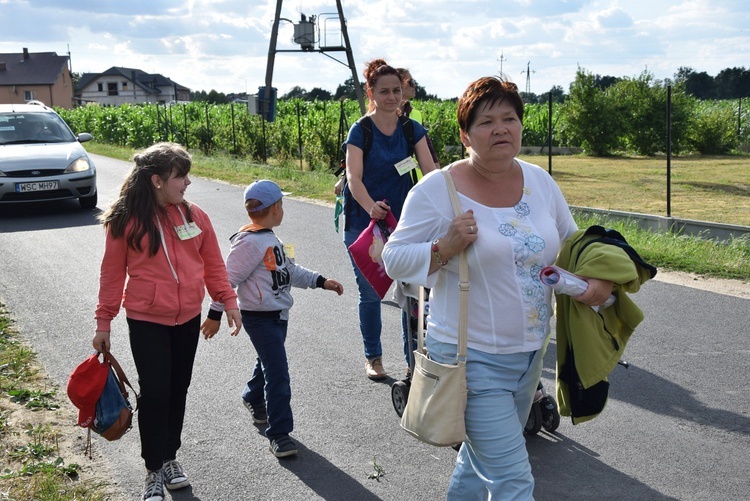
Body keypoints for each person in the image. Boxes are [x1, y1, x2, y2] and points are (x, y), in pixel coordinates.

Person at [381, 76, 613, 498]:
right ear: (465, 134)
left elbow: (571, 246)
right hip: (469, 359)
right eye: (487, 121)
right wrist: (444, 247)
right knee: (512, 479)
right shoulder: (438, 190)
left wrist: (595, 283)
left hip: (529, 356)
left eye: (510, 118)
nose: (501, 128)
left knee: (476, 465)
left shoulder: (539, 181)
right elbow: (392, 259)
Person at [93, 142, 242, 501]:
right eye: (181, 176)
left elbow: (214, 266)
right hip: (146, 320)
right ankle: (153, 468)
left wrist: (228, 301)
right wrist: (104, 322)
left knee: (178, 389)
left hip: (187, 319)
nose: (188, 182)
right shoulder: (124, 220)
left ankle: (170, 456)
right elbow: (112, 275)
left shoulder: (195, 216)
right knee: (156, 392)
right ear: (157, 180)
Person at [204, 180, 344, 458]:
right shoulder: (250, 243)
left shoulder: (271, 240)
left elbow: (290, 270)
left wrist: (320, 281)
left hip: (279, 316)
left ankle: (252, 396)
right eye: (283, 204)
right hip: (260, 318)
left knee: (267, 362)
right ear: (275, 208)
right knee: (277, 372)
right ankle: (280, 434)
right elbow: (226, 280)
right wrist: (214, 314)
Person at [342, 58, 436, 380]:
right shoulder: (361, 130)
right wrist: (370, 206)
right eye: (384, 91)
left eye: (397, 90)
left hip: (405, 223)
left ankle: (414, 362)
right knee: (371, 292)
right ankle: (374, 357)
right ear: (371, 92)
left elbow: (431, 174)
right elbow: (353, 178)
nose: (392, 97)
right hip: (365, 222)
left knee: (410, 293)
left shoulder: (412, 129)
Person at [396, 67, 440, 172]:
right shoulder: (386, 116)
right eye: (411, 82)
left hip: (418, 182)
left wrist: (436, 170)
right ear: (400, 85)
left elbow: (428, 146)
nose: (414, 85)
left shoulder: (416, 114)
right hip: (398, 184)